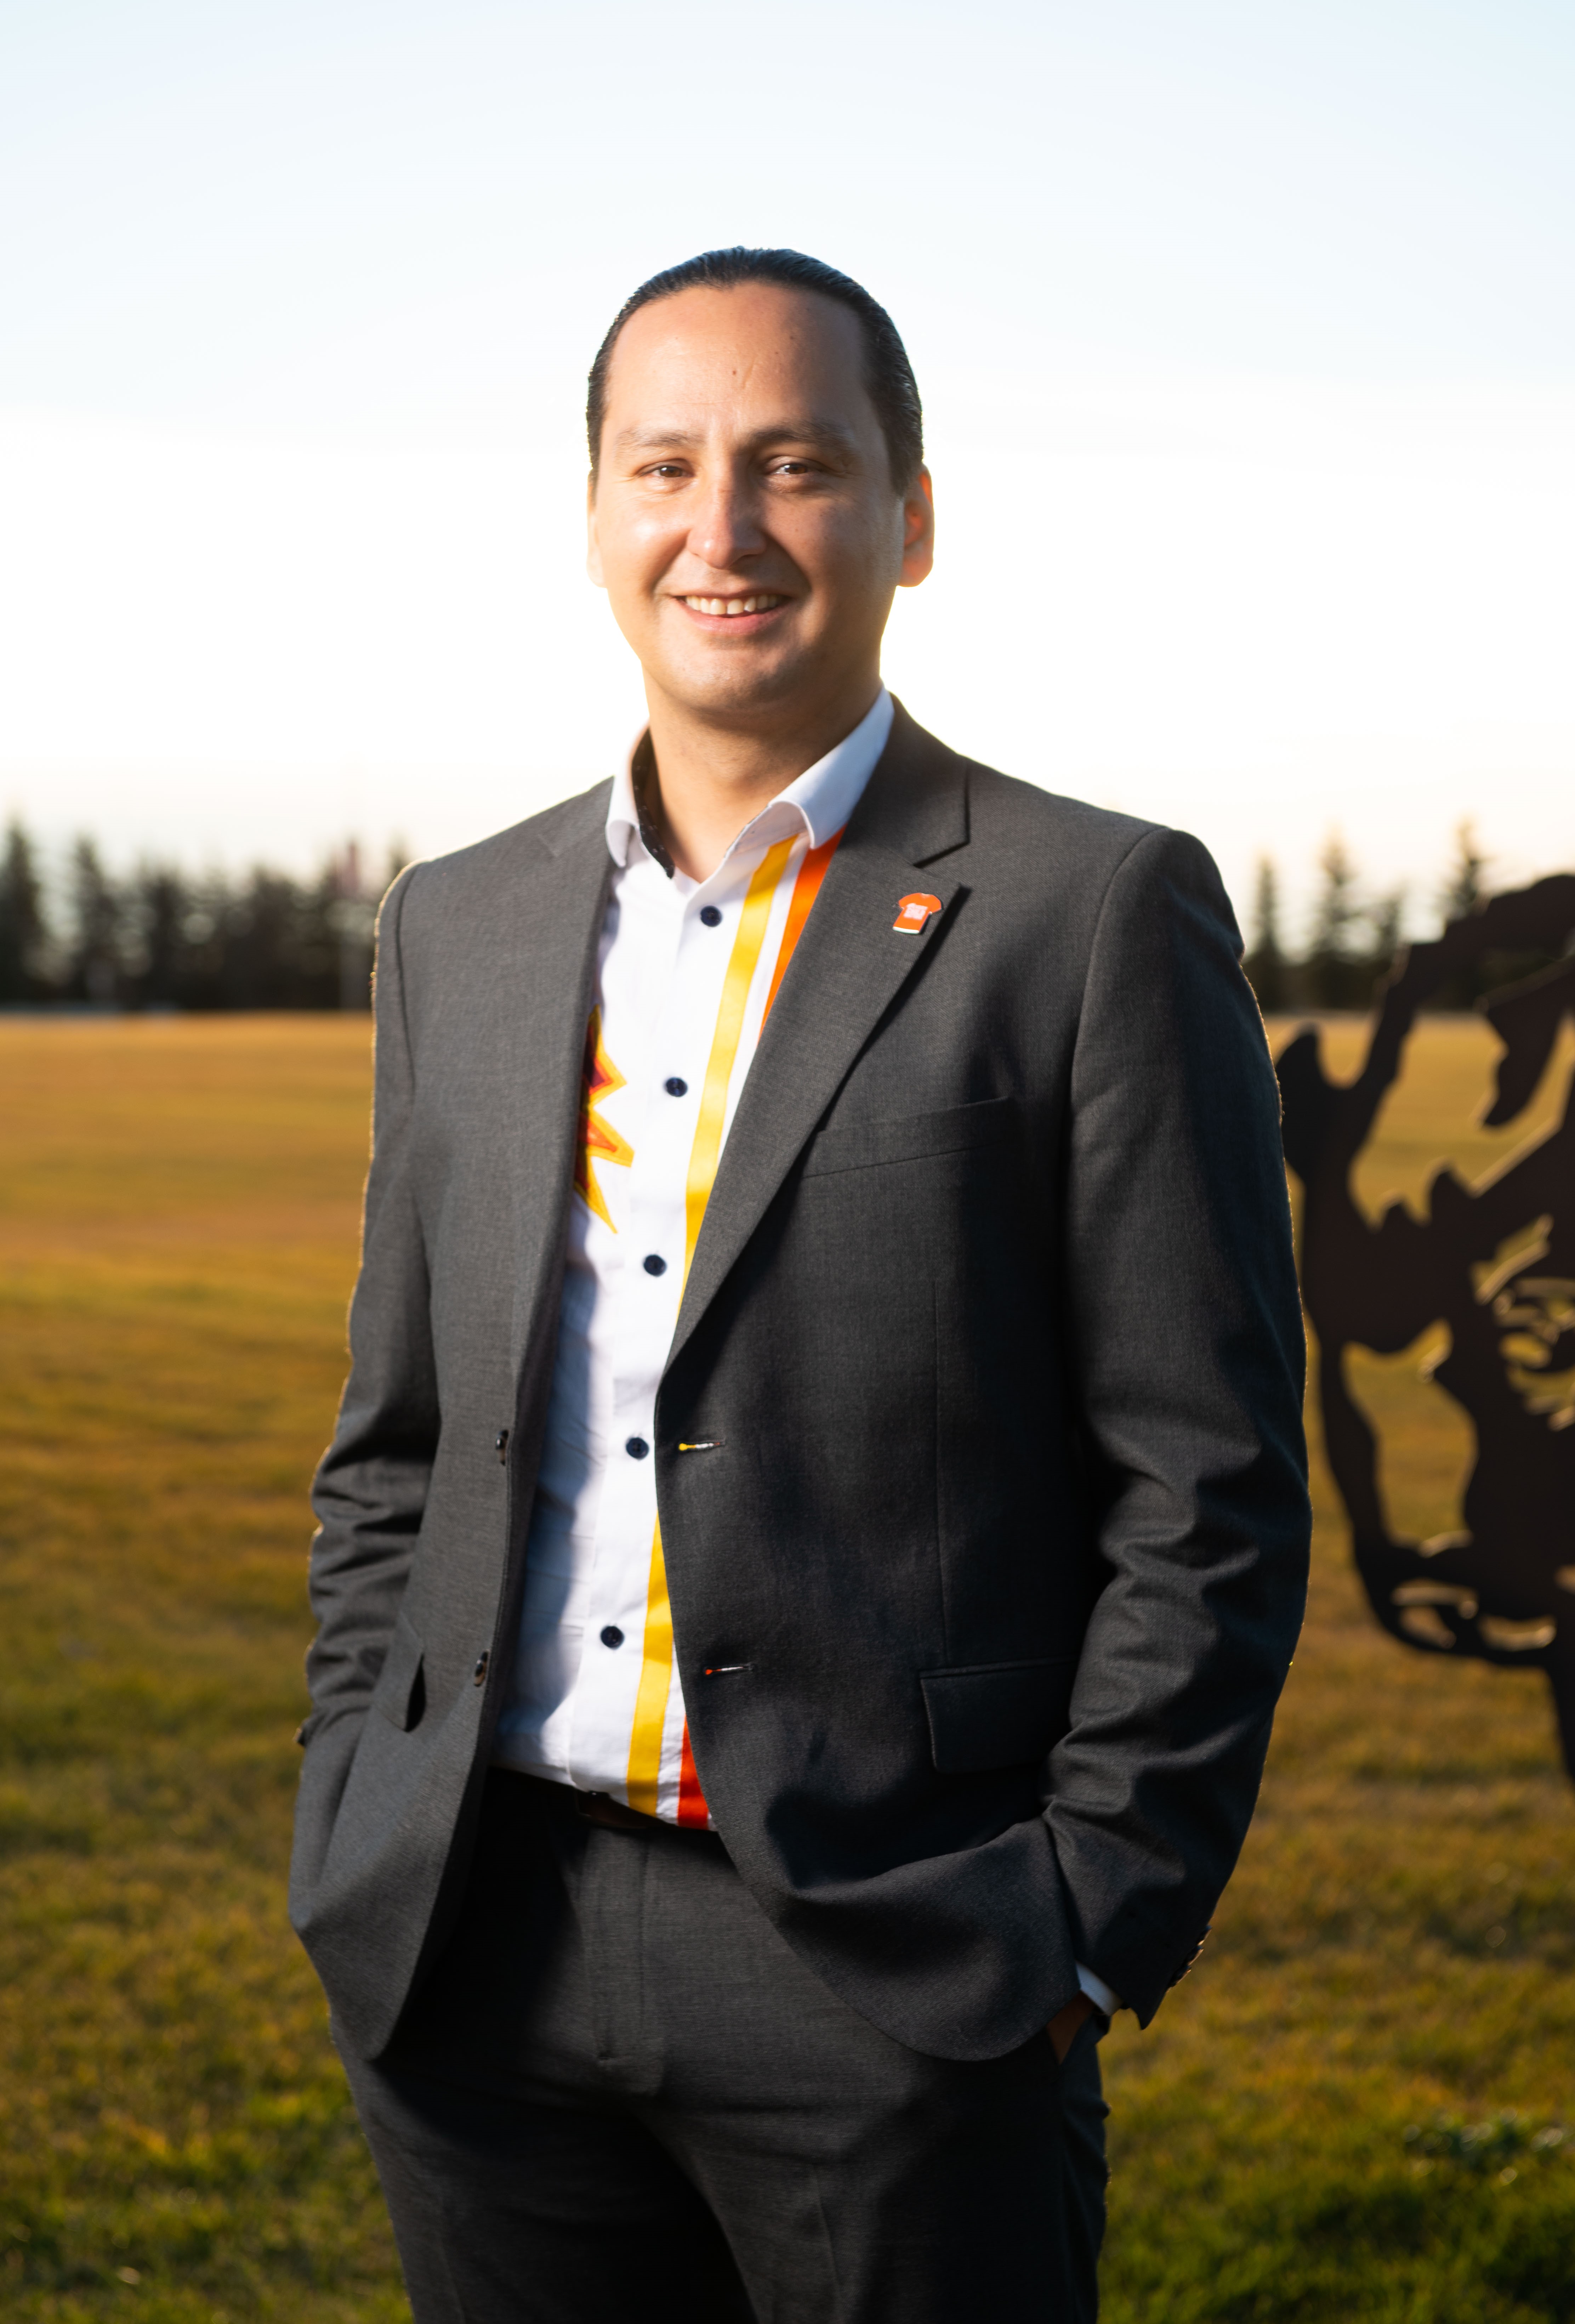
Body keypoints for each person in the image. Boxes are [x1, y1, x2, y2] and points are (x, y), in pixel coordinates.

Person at [290, 246, 1311, 2324]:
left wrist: (1081, 1927)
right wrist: (353, 1803)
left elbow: (1207, 1487)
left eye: (795, 464)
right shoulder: (457, 928)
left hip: (897, 1976)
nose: (724, 528)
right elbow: (398, 1446)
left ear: (911, 519)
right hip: (476, 1944)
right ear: (593, 517)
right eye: (666, 464)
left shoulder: (1091, 912)